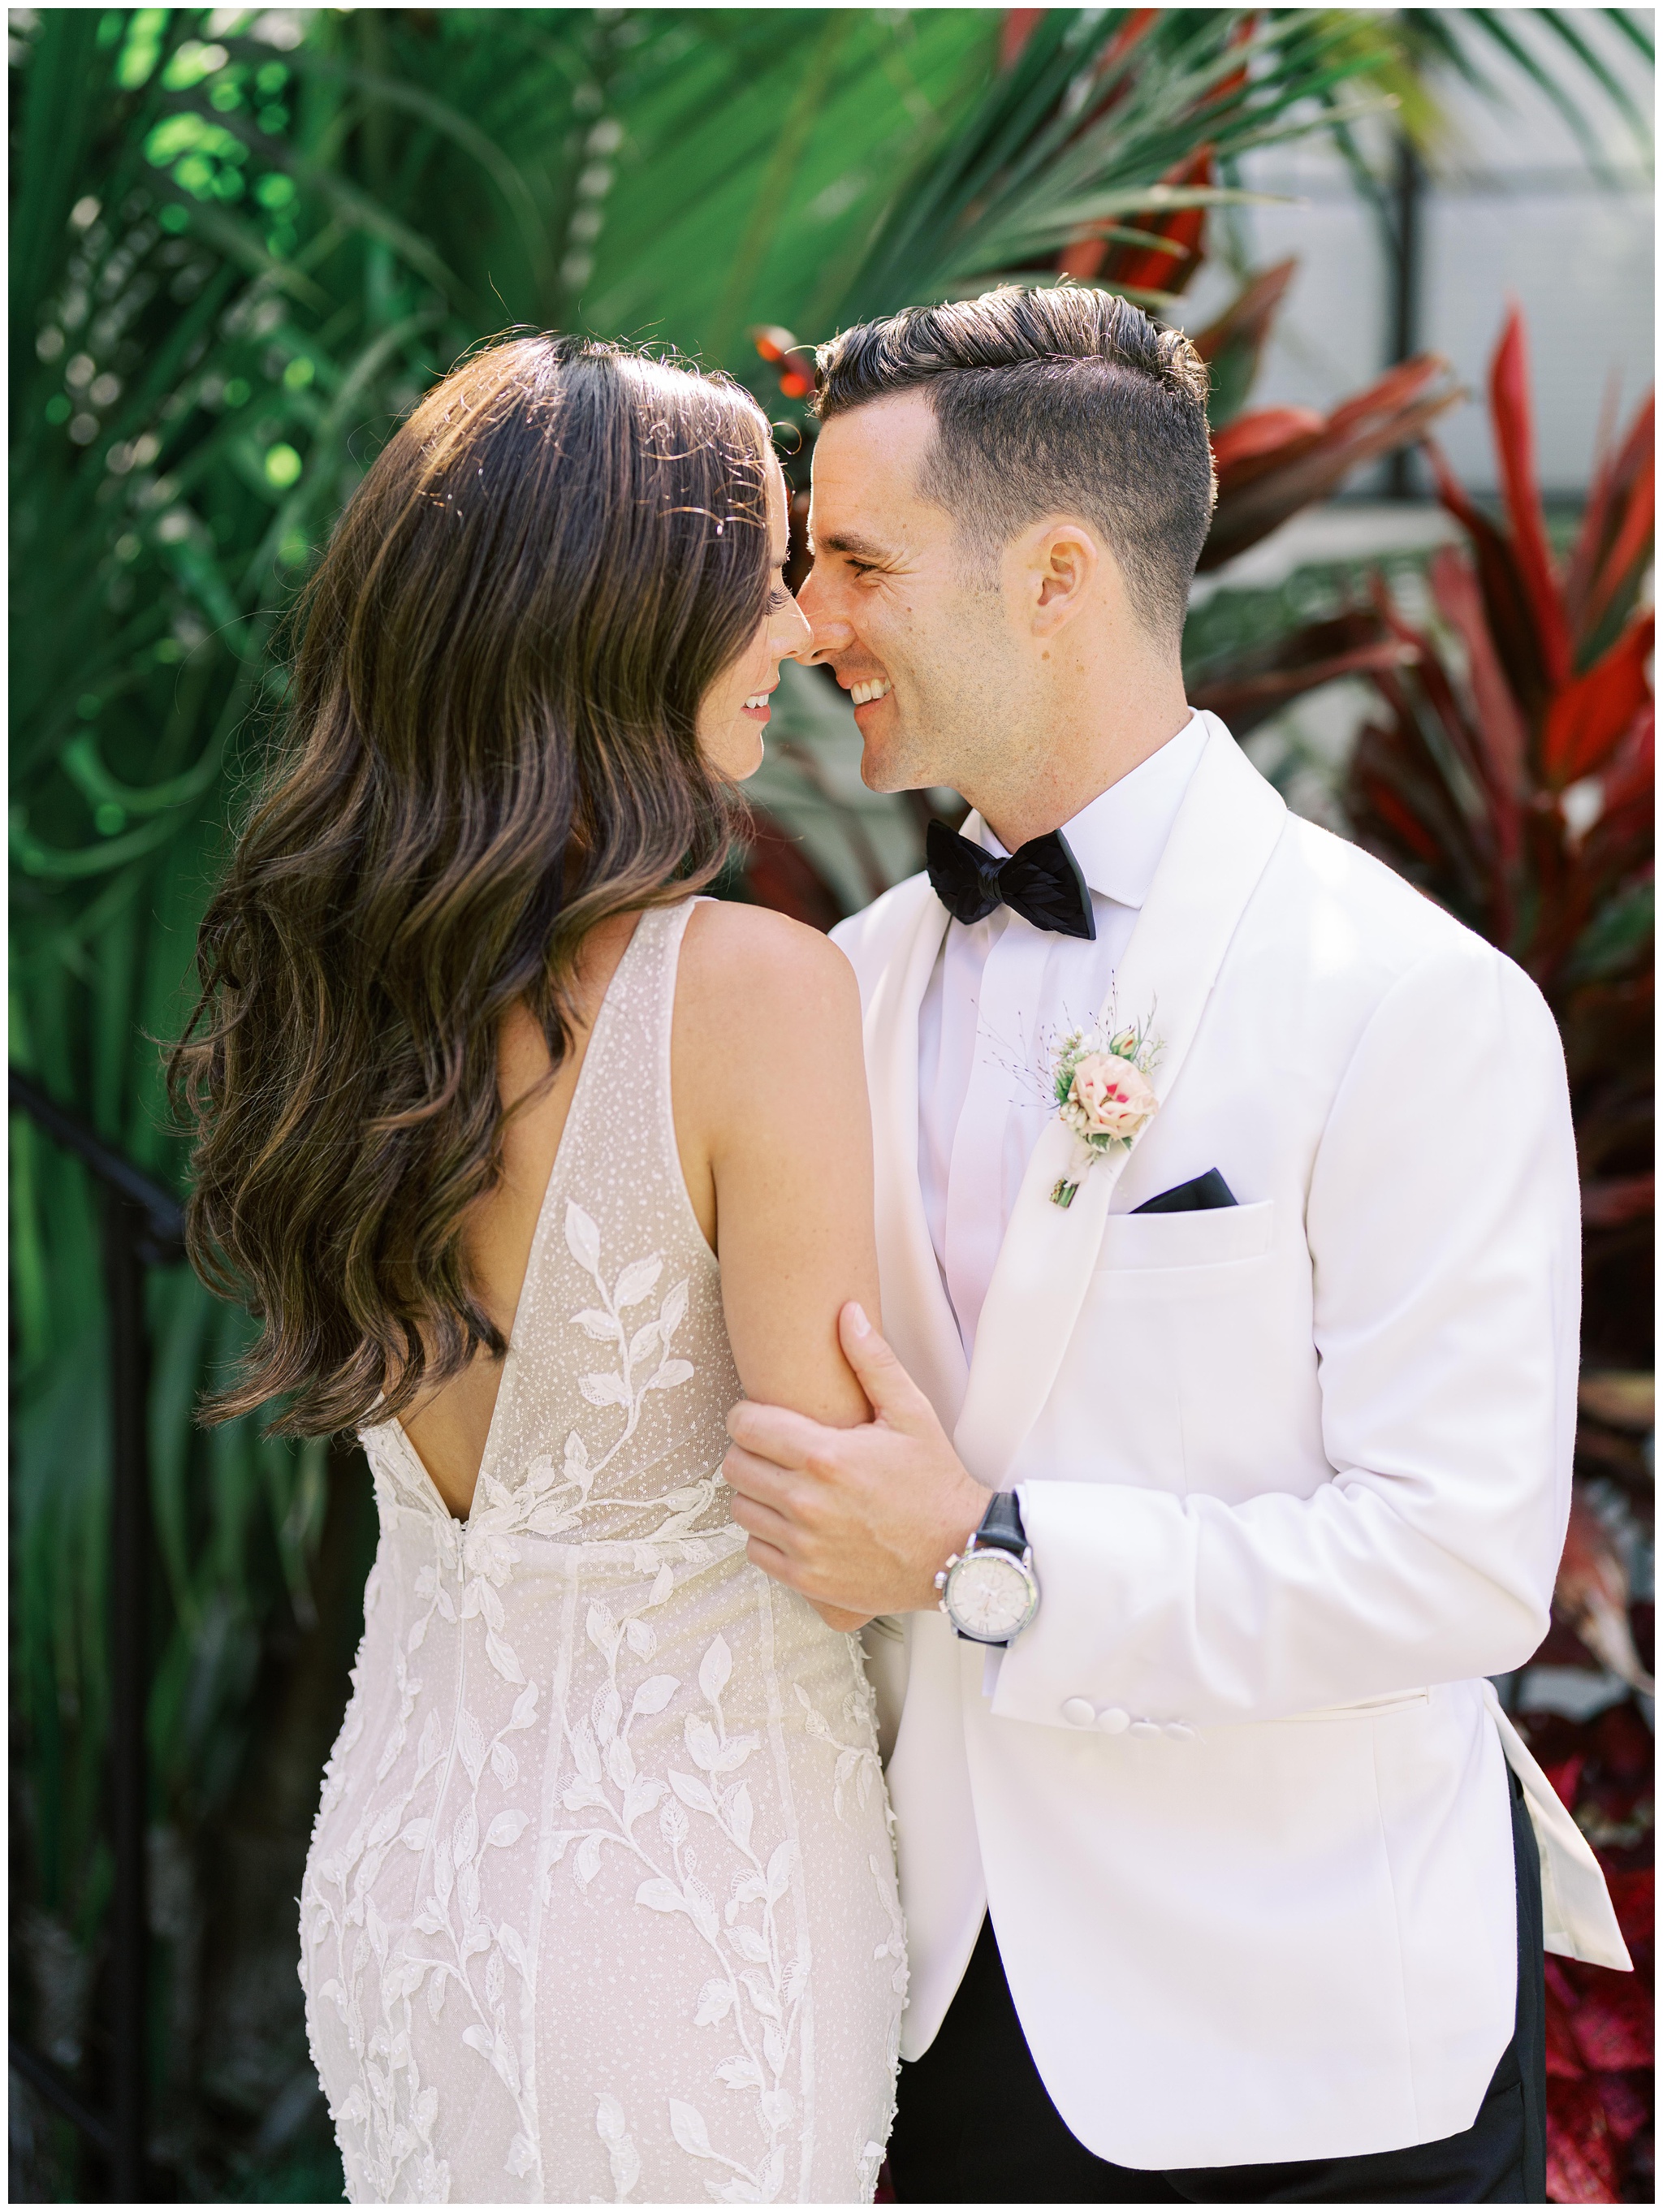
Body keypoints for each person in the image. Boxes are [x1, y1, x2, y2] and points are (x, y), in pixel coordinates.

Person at [720, 286, 1631, 2204]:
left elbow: (1461, 1566)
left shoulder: (1409, 1001)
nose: (811, 627)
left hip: (1295, 2058)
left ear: (1054, 576)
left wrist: (988, 1559)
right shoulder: (842, 992)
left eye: (859, 562)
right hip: (920, 2028)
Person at [171, 334, 906, 2204]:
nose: (805, 629)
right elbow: (834, 1524)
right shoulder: (748, 991)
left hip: (405, 1865)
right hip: (687, 1903)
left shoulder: (331, 1003)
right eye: (761, 572)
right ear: (620, 611)